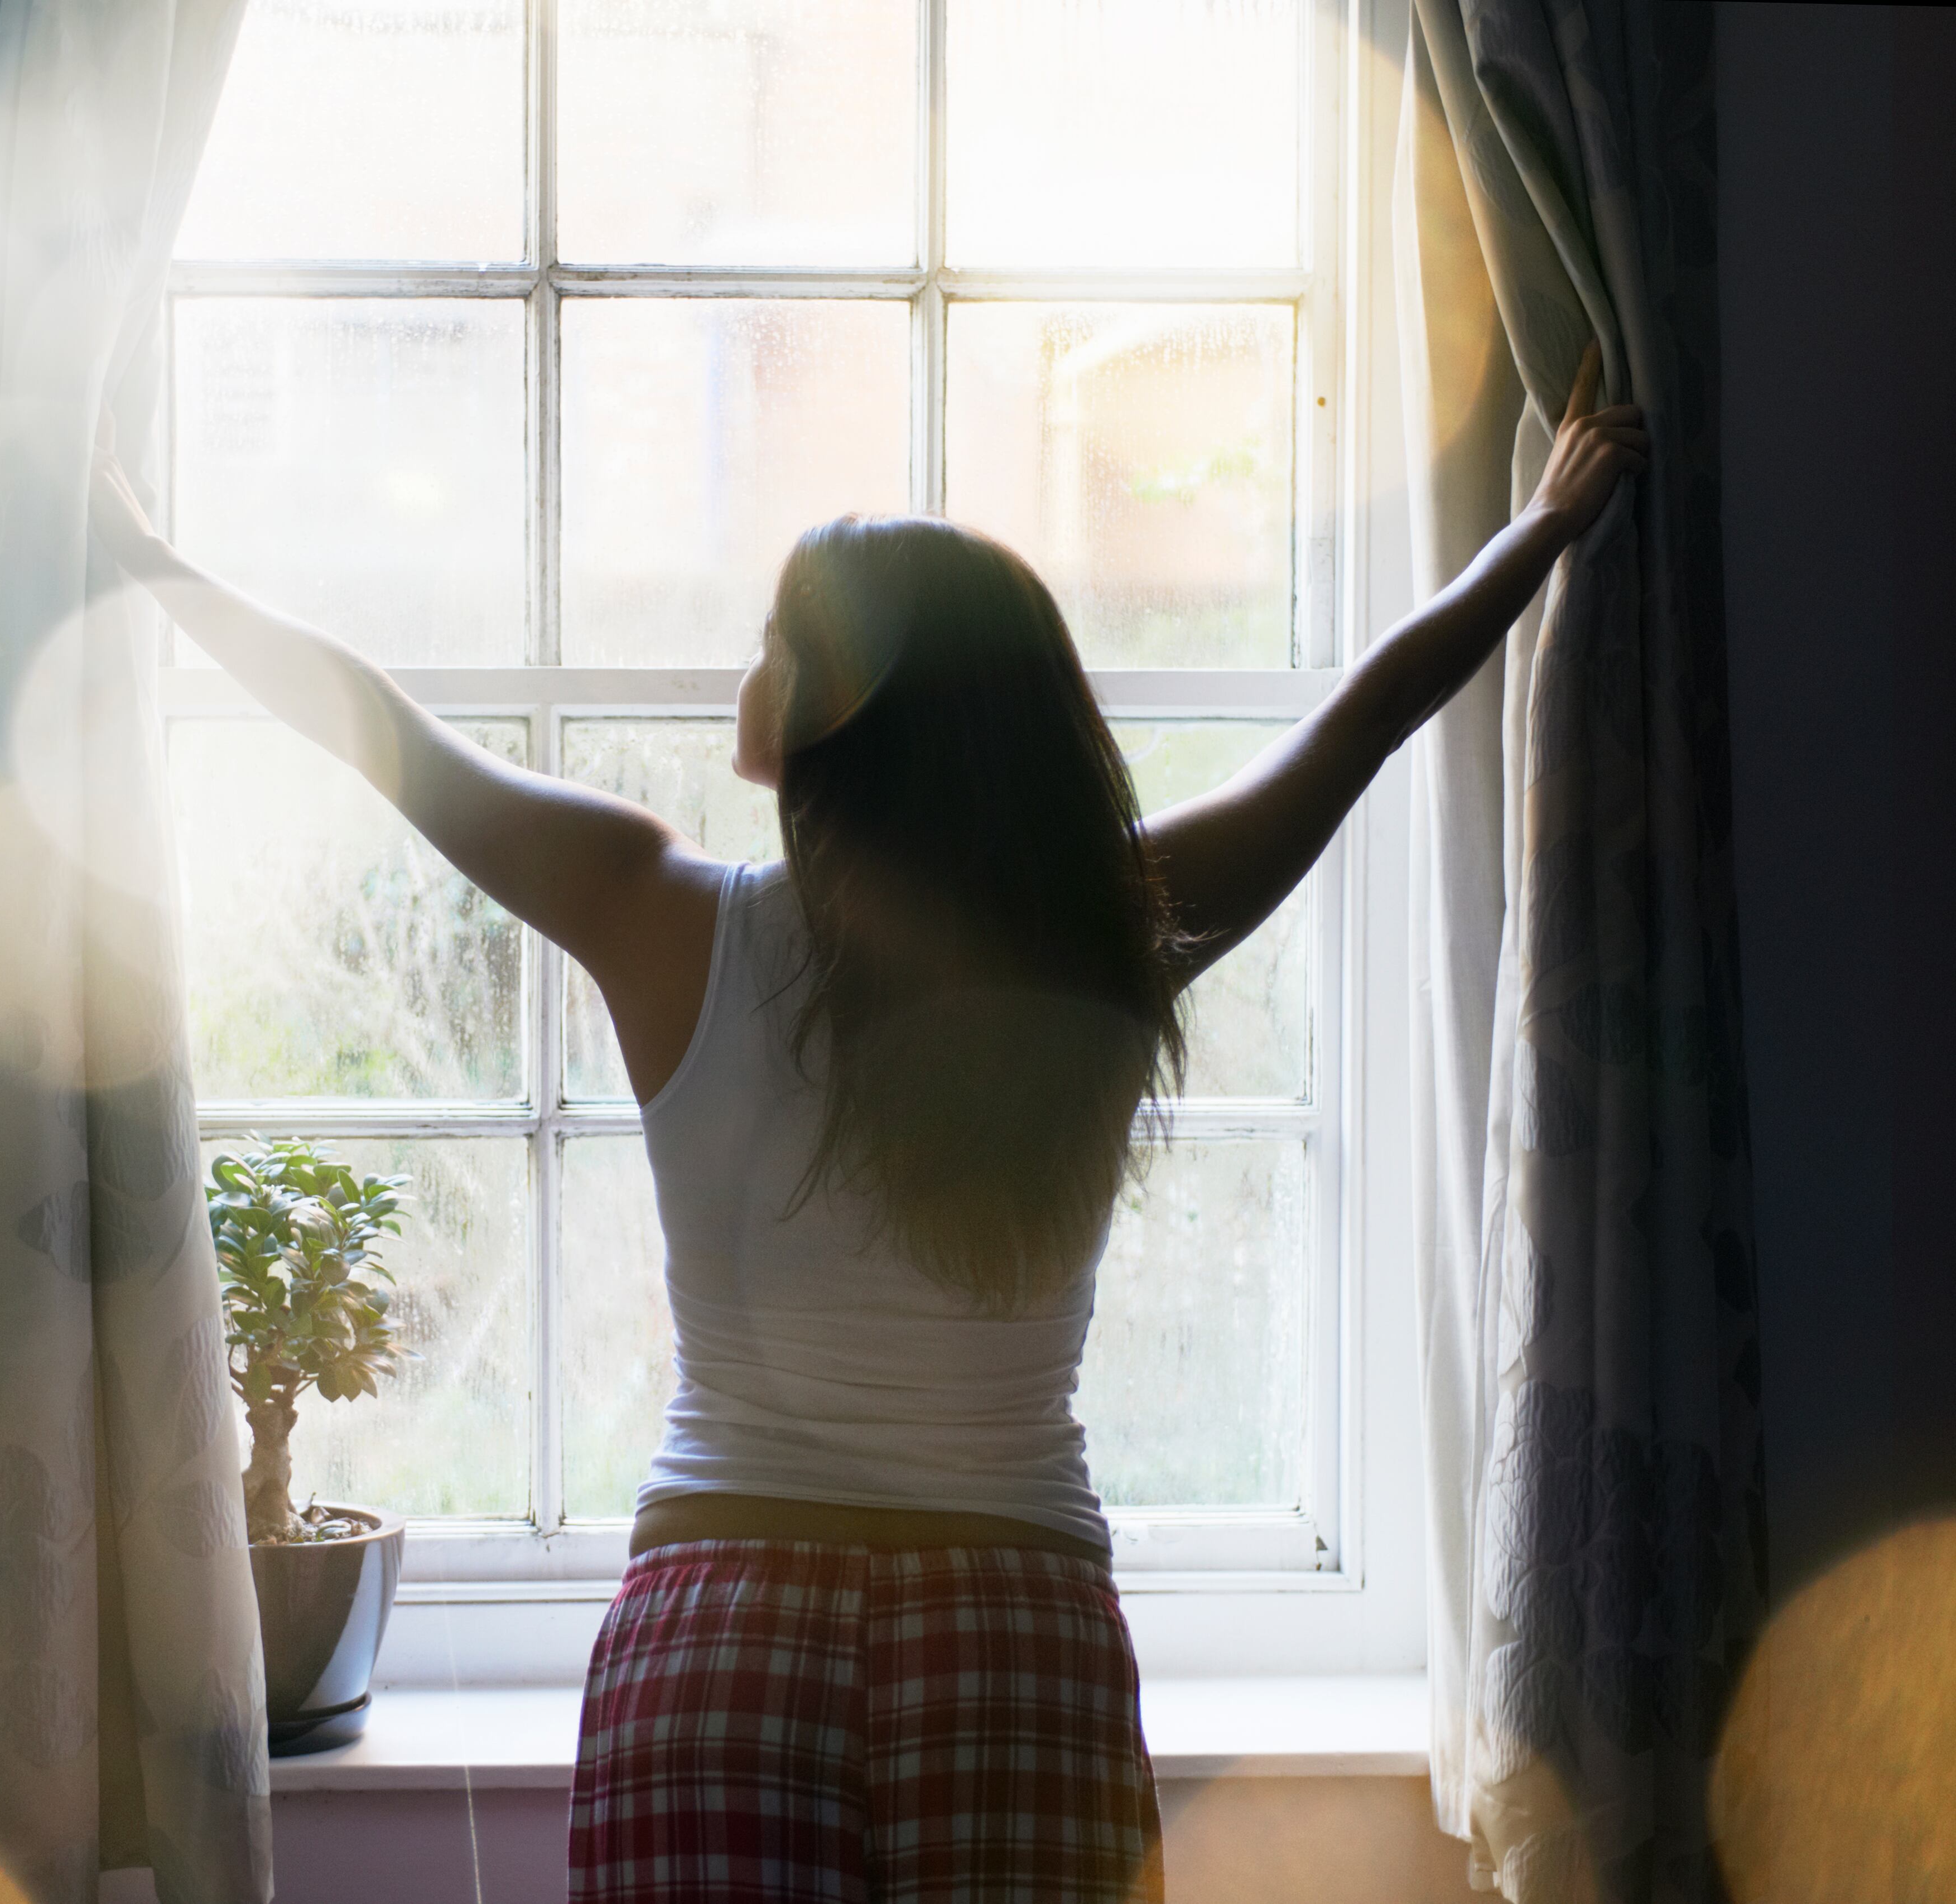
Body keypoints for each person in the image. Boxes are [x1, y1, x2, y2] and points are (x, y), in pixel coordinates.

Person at [87, 343, 1645, 1902]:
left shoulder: (657, 915)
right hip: (1014, 1637)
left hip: (719, 1639)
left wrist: (157, 565)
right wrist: (1540, 531)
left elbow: (381, 733)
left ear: (836, 710)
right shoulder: (1109, 929)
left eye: (774, 641)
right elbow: (1359, 725)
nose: (748, 666)